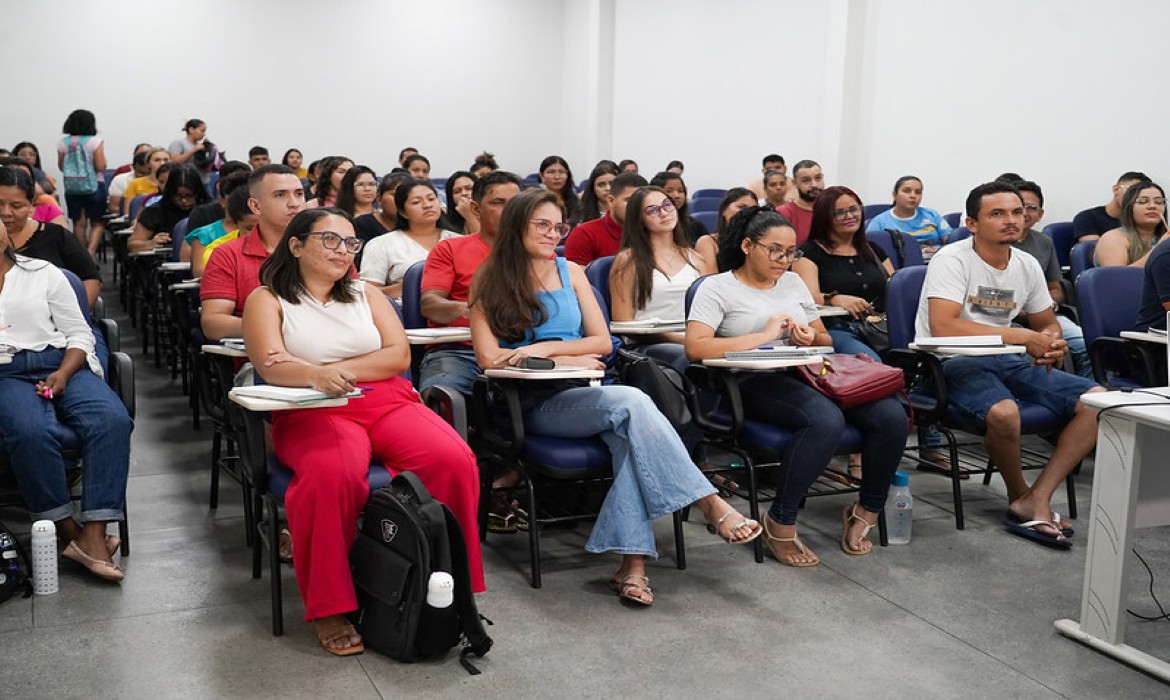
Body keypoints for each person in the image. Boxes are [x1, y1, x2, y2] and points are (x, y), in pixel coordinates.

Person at [469, 188, 762, 605]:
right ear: (516, 226)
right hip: (532, 402)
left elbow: (602, 342)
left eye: (558, 227)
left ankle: (632, 568)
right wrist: (561, 358)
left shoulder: (571, 271)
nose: (553, 234)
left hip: (588, 392)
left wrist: (546, 349)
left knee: (630, 438)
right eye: (542, 225)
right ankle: (709, 503)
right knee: (632, 402)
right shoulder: (488, 278)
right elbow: (489, 357)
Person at [241, 207, 483, 656]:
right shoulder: (268, 298)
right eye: (330, 240)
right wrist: (315, 377)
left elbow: (398, 357)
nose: (344, 250)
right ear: (296, 245)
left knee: (453, 459)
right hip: (314, 408)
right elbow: (271, 364)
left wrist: (327, 368)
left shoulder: (366, 292)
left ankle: (451, 588)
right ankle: (331, 606)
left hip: (386, 400)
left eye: (351, 242)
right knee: (331, 476)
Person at [685, 206, 907, 564]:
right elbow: (695, 348)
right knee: (825, 419)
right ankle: (780, 520)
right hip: (747, 379)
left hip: (806, 371)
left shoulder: (792, 282)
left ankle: (866, 510)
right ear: (747, 246)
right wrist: (763, 336)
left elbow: (825, 338)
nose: (784, 260)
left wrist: (808, 336)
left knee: (892, 415)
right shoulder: (717, 287)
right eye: (775, 250)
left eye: (790, 253)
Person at [915, 181, 1105, 547]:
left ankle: (1038, 496)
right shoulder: (952, 259)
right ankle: (1019, 495)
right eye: (998, 213)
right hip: (953, 361)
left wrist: (1050, 341)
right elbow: (943, 326)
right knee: (1004, 413)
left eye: (1017, 212)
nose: (1012, 220)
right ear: (972, 223)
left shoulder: (1026, 263)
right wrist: (1020, 336)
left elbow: (1046, 321)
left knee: (1098, 402)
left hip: (1009, 359)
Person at [0, 218, 132, 582]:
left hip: (62, 361)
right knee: (30, 431)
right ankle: (69, 531)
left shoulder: (43, 273)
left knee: (112, 420)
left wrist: (64, 373)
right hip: (5, 372)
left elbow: (79, 332)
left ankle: (95, 532)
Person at [419, 171, 523, 395]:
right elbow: (430, 304)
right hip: (460, 350)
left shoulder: (537, 253)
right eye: (498, 202)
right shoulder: (449, 249)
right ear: (475, 210)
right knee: (442, 395)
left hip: (520, 350)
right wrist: (472, 311)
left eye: (515, 203)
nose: (509, 211)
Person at [609, 186, 713, 372]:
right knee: (689, 356)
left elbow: (709, 311)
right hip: (647, 346)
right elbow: (623, 322)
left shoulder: (696, 258)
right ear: (639, 219)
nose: (664, 213)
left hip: (693, 340)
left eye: (667, 205)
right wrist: (679, 339)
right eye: (652, 210)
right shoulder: (628, 260)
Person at [201, 164, 305, 341]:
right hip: (264, 351)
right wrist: (281, 326)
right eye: (280, 195)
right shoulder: (228, 254)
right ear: (255, 206)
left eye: (299, 194)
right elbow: (213, 324)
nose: (294, 203)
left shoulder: (326, 247)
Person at [793, 187, 894, 359]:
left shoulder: (873, 250)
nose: (849, 216)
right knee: (871, 364)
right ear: (824, 218)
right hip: (837, 328)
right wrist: (836, 299)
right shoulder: (808, 253)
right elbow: (808, 297)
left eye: (854, 209)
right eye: (839, 213)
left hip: (881, 326)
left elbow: (896, 288)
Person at [1009, 181, 1091, 378]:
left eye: (1031, 208)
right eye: (1019, 207)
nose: (1025, 213)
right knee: (1029, 356)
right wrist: (1021, 313)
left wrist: (1046, 306)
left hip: (1044, 316)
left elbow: (1056, 288)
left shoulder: (1044, 242)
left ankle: (1085, 393)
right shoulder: (995, 243)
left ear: (1040, 214)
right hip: (1006, 320)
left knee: (1086, 344)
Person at [0, 167, 102, 307]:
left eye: (16, 206)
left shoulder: (57, 236)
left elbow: (90, 278)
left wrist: (73, 314)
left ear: (31, 205)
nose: (5, 213)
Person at [359, 179, 459, 298]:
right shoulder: (381, 244)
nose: (427, 205)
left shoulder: (459, 241)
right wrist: (407, 286)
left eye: (431, 199)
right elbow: (367, 293)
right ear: (403, 212)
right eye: (416, 202)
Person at [562, 172, 647, 266]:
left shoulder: (651, 231)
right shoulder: (584, 234)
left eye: (642, 201)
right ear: (611, 201)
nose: (637, 206)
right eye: (630, 200)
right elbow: (574, 274)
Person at [55, 109, 107, 255]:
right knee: (97, 222)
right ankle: (90, 253)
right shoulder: (95, 141)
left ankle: (81, 256)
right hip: (95, 185)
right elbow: (100, 166)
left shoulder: (63, 143)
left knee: (78, 222)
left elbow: (62, 166)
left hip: (72, 187)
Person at [127, 165, 210, 254]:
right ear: (170, 193)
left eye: (189, 196)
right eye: (178, 196)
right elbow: (132, 245)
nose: (184, 201)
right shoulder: (155, 211)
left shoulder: (210, 210)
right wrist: (150, 243)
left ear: (198, 193)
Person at [866, 175, 952, 258]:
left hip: (936, 259)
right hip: (903, 263)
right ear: (895, 194)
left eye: (918, 192)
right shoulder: (879, 222)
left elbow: (950, 240)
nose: (913, 196)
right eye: (906, 191)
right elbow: (870, 251)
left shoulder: (931, 215)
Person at [189, 182, 257, 277]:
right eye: (249, 228)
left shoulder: (277, 247)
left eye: (263, 226)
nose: (257, 233)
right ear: (236, 223)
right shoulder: (218, 252)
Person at [1093, 181, 1166, 267]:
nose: (1152, 206)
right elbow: (1117, 274)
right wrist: (1160, 248)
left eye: (1159, 202)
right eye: (1143, 201)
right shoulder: (1112, 238)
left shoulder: (1163, 236)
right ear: (1129, 207)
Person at [1073, 171, 1150, 242]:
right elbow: (1094, 248)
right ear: (1116, 189)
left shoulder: (1143, 220)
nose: (1134, 197)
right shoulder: (1088, 217)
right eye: (1131, 191)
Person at [695, 187, 757, 268]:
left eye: (752, 209)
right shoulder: (707, 242)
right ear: (724, 209)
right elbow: (709, 276)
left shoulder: (758, 242)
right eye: (741, 207)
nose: (747, 212)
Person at [353, 172, 411, 250]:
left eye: (406, 196)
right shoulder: (362, 225)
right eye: (395, 194)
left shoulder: (418, 226)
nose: (401, 200)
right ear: (379, 199)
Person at [649, 171, 706, 244]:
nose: (677, 195)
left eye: (680, 191)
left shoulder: (695, 225)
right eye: (669, 191)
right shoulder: (648, 225)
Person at [777, 160, 824, 244]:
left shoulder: (833, 210)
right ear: (794, 183)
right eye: (806, 180)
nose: (814, 185)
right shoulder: (784, 213)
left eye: (818, 178)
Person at [121, 147, 171, 213]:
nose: (162, 163)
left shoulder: (176, 182)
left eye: (166, 160)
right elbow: (127, 212)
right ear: (148, 164)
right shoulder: (135, 183)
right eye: (157, 160)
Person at [107, 145, 152, 215]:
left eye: (147, 174)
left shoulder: (159, 181)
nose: (143, 177)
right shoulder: (120, 179)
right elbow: (113, 207)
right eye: (140, 173)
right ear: (133, 167)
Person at [574, 161, 619, 226]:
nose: (608, 188)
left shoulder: (627, 213)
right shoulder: (581, 216)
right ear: (593, 188)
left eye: (612, 183)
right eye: (601, 185)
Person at [538, 155, 578, 224]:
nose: (557, 177)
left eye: (561, 172)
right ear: (542, 176)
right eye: (551, 172)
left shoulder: (576, 200)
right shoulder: (535, 199)